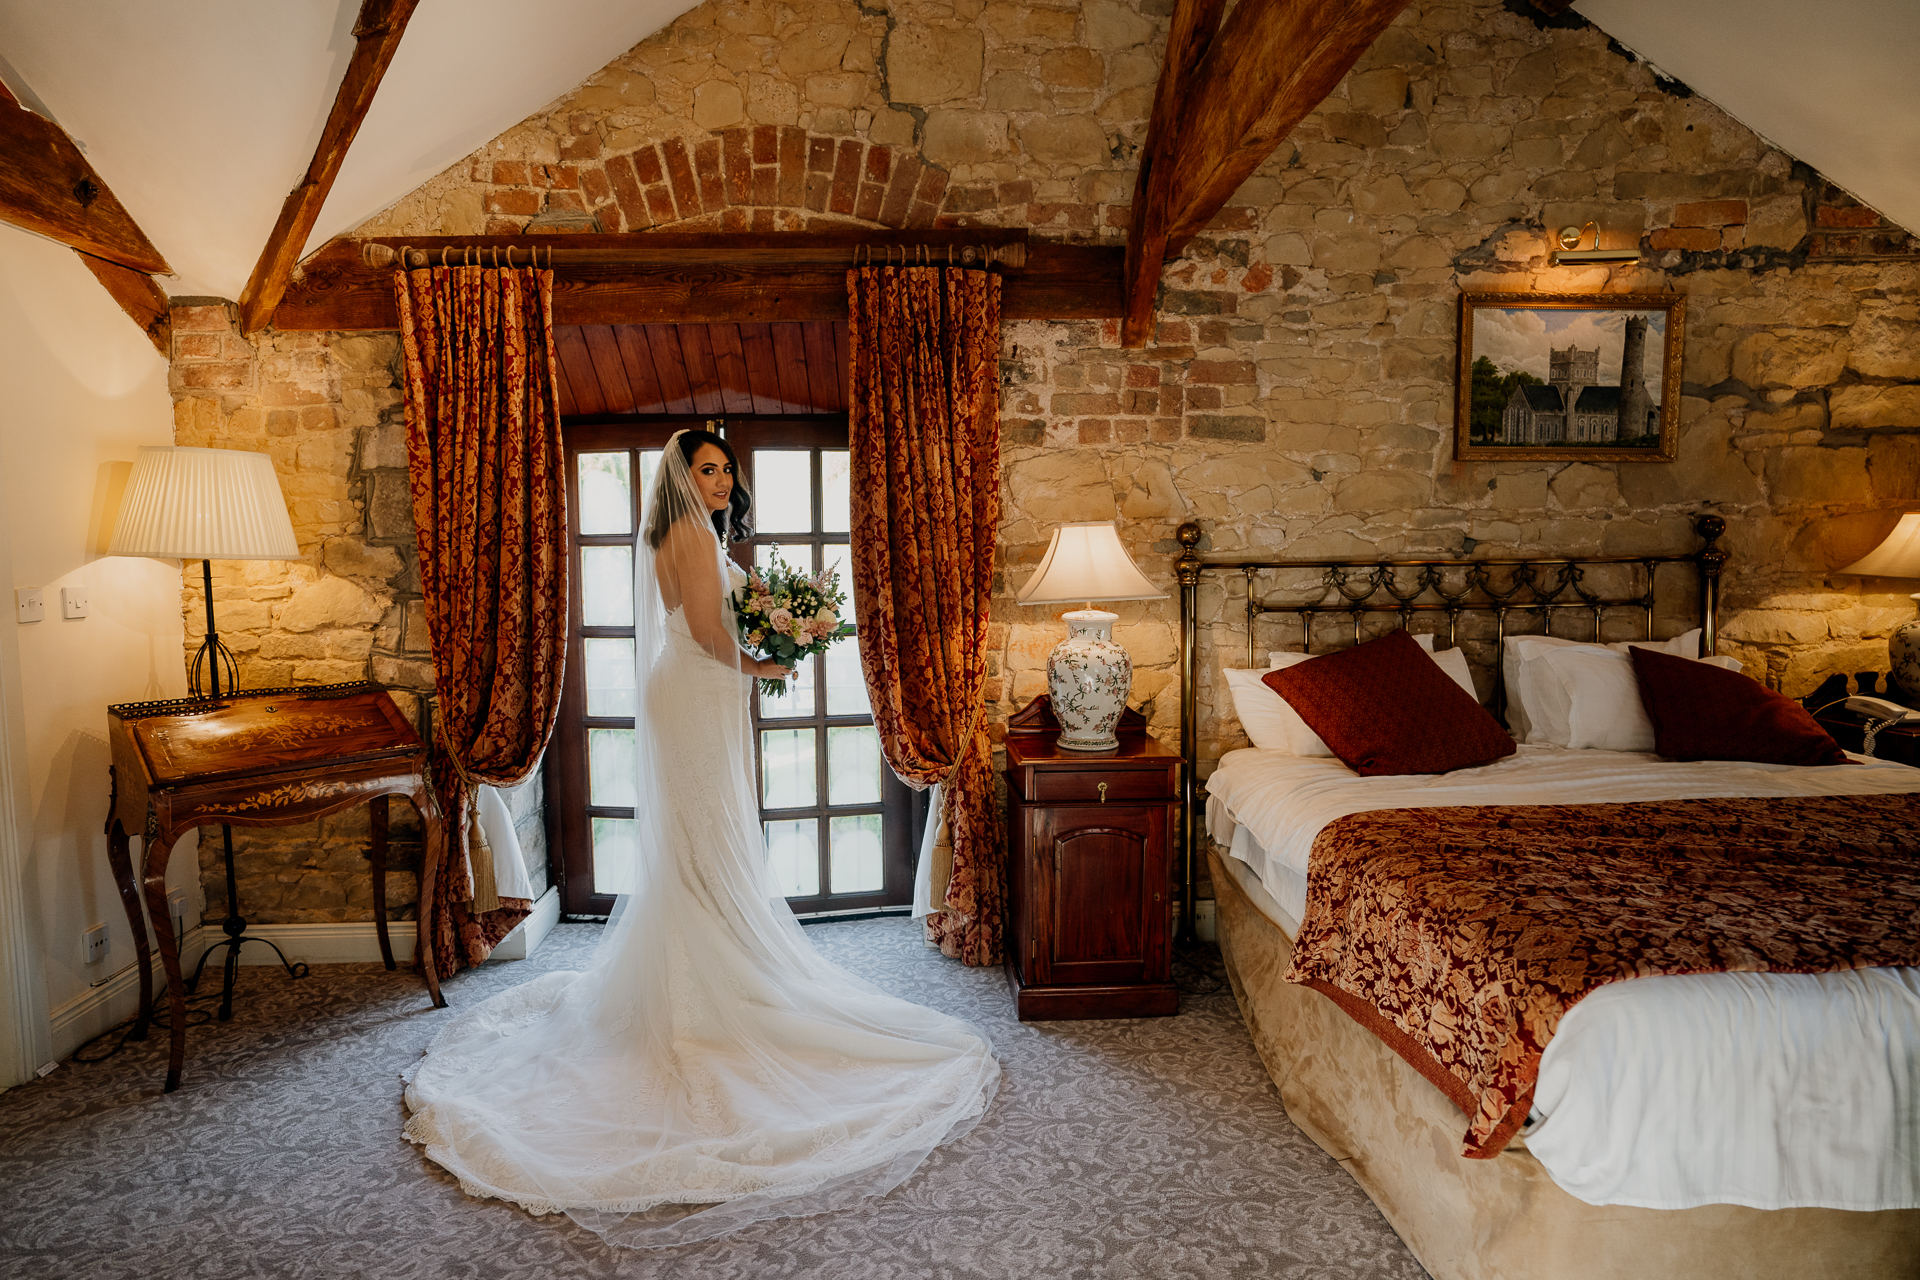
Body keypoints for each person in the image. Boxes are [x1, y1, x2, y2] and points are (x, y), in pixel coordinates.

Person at [403, 429, 999, 1247]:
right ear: (683, 480)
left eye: (726, 471)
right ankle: (699, 990)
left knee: (711, 834)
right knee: (700, 833)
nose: (722, 481)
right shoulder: (686, 533)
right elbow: (712, 634)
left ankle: (727, 961)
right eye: (708, 470)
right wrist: (768, 664)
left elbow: (737, 612)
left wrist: (791, 621)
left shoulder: (704, 533)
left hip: (705, 691)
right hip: (696, 688)